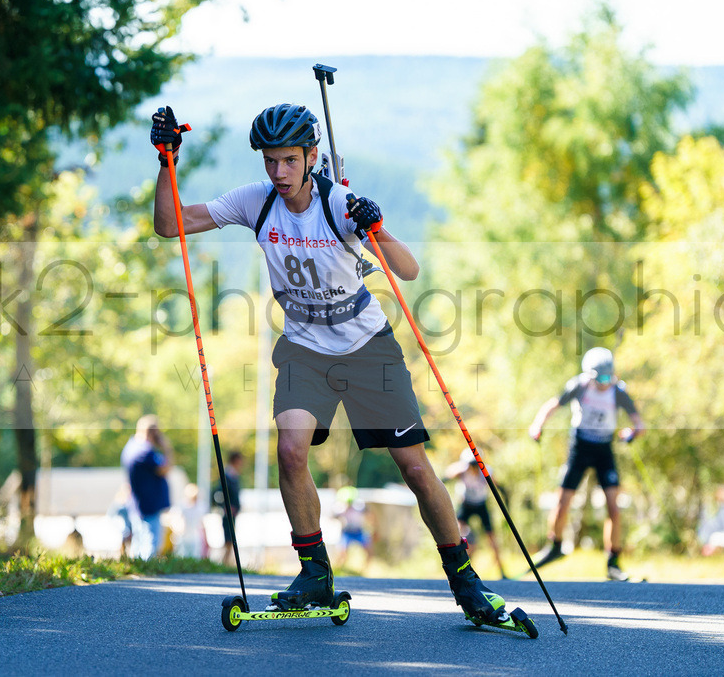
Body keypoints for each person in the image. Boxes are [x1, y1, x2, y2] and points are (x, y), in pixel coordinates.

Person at [151, 103, 516, 625]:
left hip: (368, 348)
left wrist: (379, 228)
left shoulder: (339, 203)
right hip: (304, 348)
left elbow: (408, 271)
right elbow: (171, 225)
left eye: (289, 162)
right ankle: (315, 574)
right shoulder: (256, 202)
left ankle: (465, 580)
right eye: (271, 161)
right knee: (291, 451)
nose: (279, 173)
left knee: (413, 467)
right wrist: (168, 162)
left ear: (312, 158)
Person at [528, 346, 644, 581]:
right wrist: (537, 424)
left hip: (604, 449)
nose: (605, 382)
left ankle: (613, 561)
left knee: (613, 506)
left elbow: (639, 424)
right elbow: (553, 405)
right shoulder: (579, 386)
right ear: (590, 375)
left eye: (609, 377)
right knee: (562, 501)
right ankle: (555, 546)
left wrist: (630, 434)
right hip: (580, 446)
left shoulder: (618, 392)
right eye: (600, 378)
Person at [445, 450, 507, 579]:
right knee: (458, 532)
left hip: (481, 504)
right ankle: (459, 566)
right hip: (465, 504)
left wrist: (505, 496)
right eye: (471, 465)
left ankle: (501, 570)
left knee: (491, 536)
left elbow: (496, 485)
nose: (473, 468)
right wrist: (460, 468)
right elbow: (448, 474)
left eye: (475, 465)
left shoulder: (485, 471)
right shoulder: (462, 470)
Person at [121, 415, 174, 559]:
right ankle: (146, 578)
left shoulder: (130, 447)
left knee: (139, 543)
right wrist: (166, 447)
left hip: (139, 504)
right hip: (149, 505)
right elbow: (166, 468)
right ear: (152, 433)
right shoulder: (145, 451)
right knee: (151, 545)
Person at [211, 451, 244, 566]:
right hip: (228, 513)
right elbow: (217, 493)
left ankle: (227, 562)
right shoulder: (227, 475)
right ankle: (224, 562)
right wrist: (224, 506)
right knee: (228, 538)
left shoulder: (234, 475)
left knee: (231, 537)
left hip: (233, 512)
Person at [333, 486, 372, 572]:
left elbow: (369, 514)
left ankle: (363, 570)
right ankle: (338, 569)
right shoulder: (340, 507)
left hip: (358, 531)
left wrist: (372, 527)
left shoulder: (359, 506)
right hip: (346, 532)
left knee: (369, 550)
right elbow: (334, 516)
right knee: (342, 553)